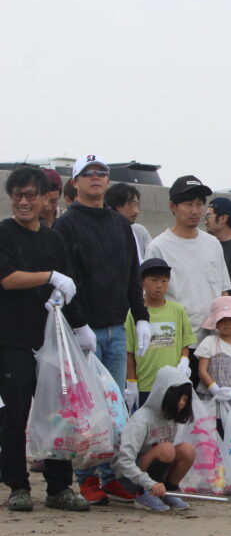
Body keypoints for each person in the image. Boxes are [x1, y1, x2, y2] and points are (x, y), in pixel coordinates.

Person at [54, 154, 149, 505]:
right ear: (75, 182)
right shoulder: (66, 226)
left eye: (102, 173)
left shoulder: (120, 224)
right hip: (84, 331)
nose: (96, 178)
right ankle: (86, 477)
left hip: (115, 328)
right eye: (88, 173)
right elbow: (66, 280)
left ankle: (111, 476)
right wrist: (79, 324)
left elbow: (131, 273)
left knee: (114, 410)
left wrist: (140, 317)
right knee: (86, 409)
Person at [1, 166, 90, 512]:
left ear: (44, 200)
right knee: (16, 414)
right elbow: (7, 278)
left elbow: (67, 286)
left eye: (30, 195)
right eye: (17, 195)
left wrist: (79, 325)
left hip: (51, 341)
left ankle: (58, 487)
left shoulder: (53, 239)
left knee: (58, 412)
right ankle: (18, 486)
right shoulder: (4, 234)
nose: (23, 202)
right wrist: (50, 276)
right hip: (12, 340)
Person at [144, 175, 231, 384]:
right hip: (177, 345)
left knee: (214, 409)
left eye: (200, 204)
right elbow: (150, 300)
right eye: (188, 204)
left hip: (213, 342)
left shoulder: (213, 244)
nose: (195, 211)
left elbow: (223, 292)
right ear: (172, 207)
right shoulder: (158, 247)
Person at [113, 366, 196, 512]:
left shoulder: (170, 419)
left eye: (185, 399)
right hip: (130, 479)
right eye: (179, 398)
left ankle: (167, 491)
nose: (182, 403)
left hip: (153, 477)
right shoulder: (141, 418)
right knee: (167, 449)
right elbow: (123, 460)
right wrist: (149, 483)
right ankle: (144, 494)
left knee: (187, 450)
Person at [125, 258, 194, 412]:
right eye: (154, 280)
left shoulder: (178, 310)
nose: (159, 285)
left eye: (164, 281)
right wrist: (131, 382)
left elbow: (185, 343)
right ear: (142, 282)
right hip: (146, 384)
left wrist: (184, 360)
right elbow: (129, 351)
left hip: (173, 384)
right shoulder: (133, 313)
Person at [105, 182, 151, 259]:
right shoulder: (101, 232)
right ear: (118, 204)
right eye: (133, 204)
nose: (137, 211)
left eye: (137, 205)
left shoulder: (139, 231)